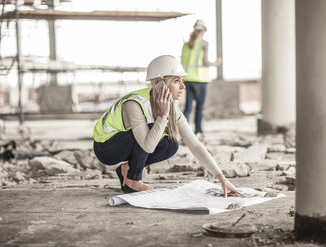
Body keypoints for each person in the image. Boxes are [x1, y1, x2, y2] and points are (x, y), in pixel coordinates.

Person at [93, 55, 241, 197]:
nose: (183, 87)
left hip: (128, 143)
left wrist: (222, 179)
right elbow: (147, 146)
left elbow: (195, 144)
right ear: (160, 84)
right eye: (177, 81)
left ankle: (127, 169)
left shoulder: (172, 107)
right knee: (153, 129)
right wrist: (163, 116)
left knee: (170, 144)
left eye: (182, 81)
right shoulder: (134, 103)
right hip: (106, 147)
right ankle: (132, 180)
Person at [181, 19, 222, 139]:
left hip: (188, 79)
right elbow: (205, 62)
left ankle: (183, 133)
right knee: (199, 107)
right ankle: (198, 131)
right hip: (200, 79)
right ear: (204, 30)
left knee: (188, 108)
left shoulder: (185, 44)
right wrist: (217, 63)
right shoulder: (203, 43)